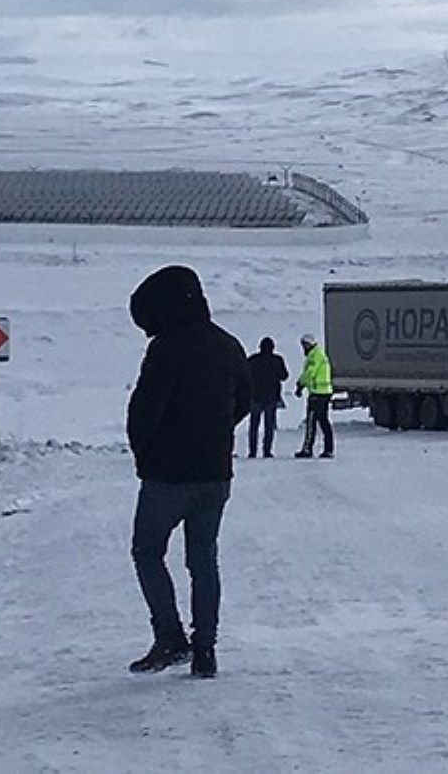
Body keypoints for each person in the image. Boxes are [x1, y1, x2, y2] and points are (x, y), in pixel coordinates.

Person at [125, 265, 252, 679]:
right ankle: (206, 651)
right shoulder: (229, 345)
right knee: (203, 561)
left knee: (147, 552)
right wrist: (214, 434)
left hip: (166, 476)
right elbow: (244, 404)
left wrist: (145, 451)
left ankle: (170, 637)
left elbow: (145, 410)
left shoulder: (166, 348)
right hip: (215, 475)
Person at [245, 337, 289, 458]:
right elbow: (284, 376)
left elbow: (244, 375)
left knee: (254, 425)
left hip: (255, 396)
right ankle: (267, 451)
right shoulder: (277, 360)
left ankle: (252, 451)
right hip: (271, 397)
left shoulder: (253, 360)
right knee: (269, 425)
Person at [295, 333, 334, 459]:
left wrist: (300, 384)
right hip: (325, 392)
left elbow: (310, 372)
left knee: (311, 421)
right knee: (324, 421)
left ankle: (307, 449)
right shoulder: (319, 354)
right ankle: (328, 449)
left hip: (317, 393)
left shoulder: (314, 355)